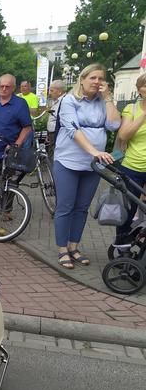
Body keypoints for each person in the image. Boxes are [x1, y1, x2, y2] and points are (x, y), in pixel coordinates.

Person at [53, 63, 120, 269]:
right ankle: (62, 249)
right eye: (93, 78)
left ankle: (74, 247)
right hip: (68, 161)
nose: (97, 82)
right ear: (82, 79)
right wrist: (95, 152)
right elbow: (73, 129)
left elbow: (114, 125)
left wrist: (108, 98)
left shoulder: (103, 102)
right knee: (65, 206)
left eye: (101, 78)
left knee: (82, 207)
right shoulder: (68, 100)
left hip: (93, 166)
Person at [113, 73, 146, 248]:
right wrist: (143, 114)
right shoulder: (131, 109)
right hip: (133, 167)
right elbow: (124, 135)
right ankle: (123, 248)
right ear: (139, 89)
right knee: (127, 210)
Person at [47, 80, 67, 158]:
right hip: (52, 133)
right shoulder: (57, 101)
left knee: (55, 155)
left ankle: (53, 169)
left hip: (57, 133)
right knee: (51, 154)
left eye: (52, 90)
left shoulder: (65, 101)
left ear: (59, 91)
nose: (50, 93)